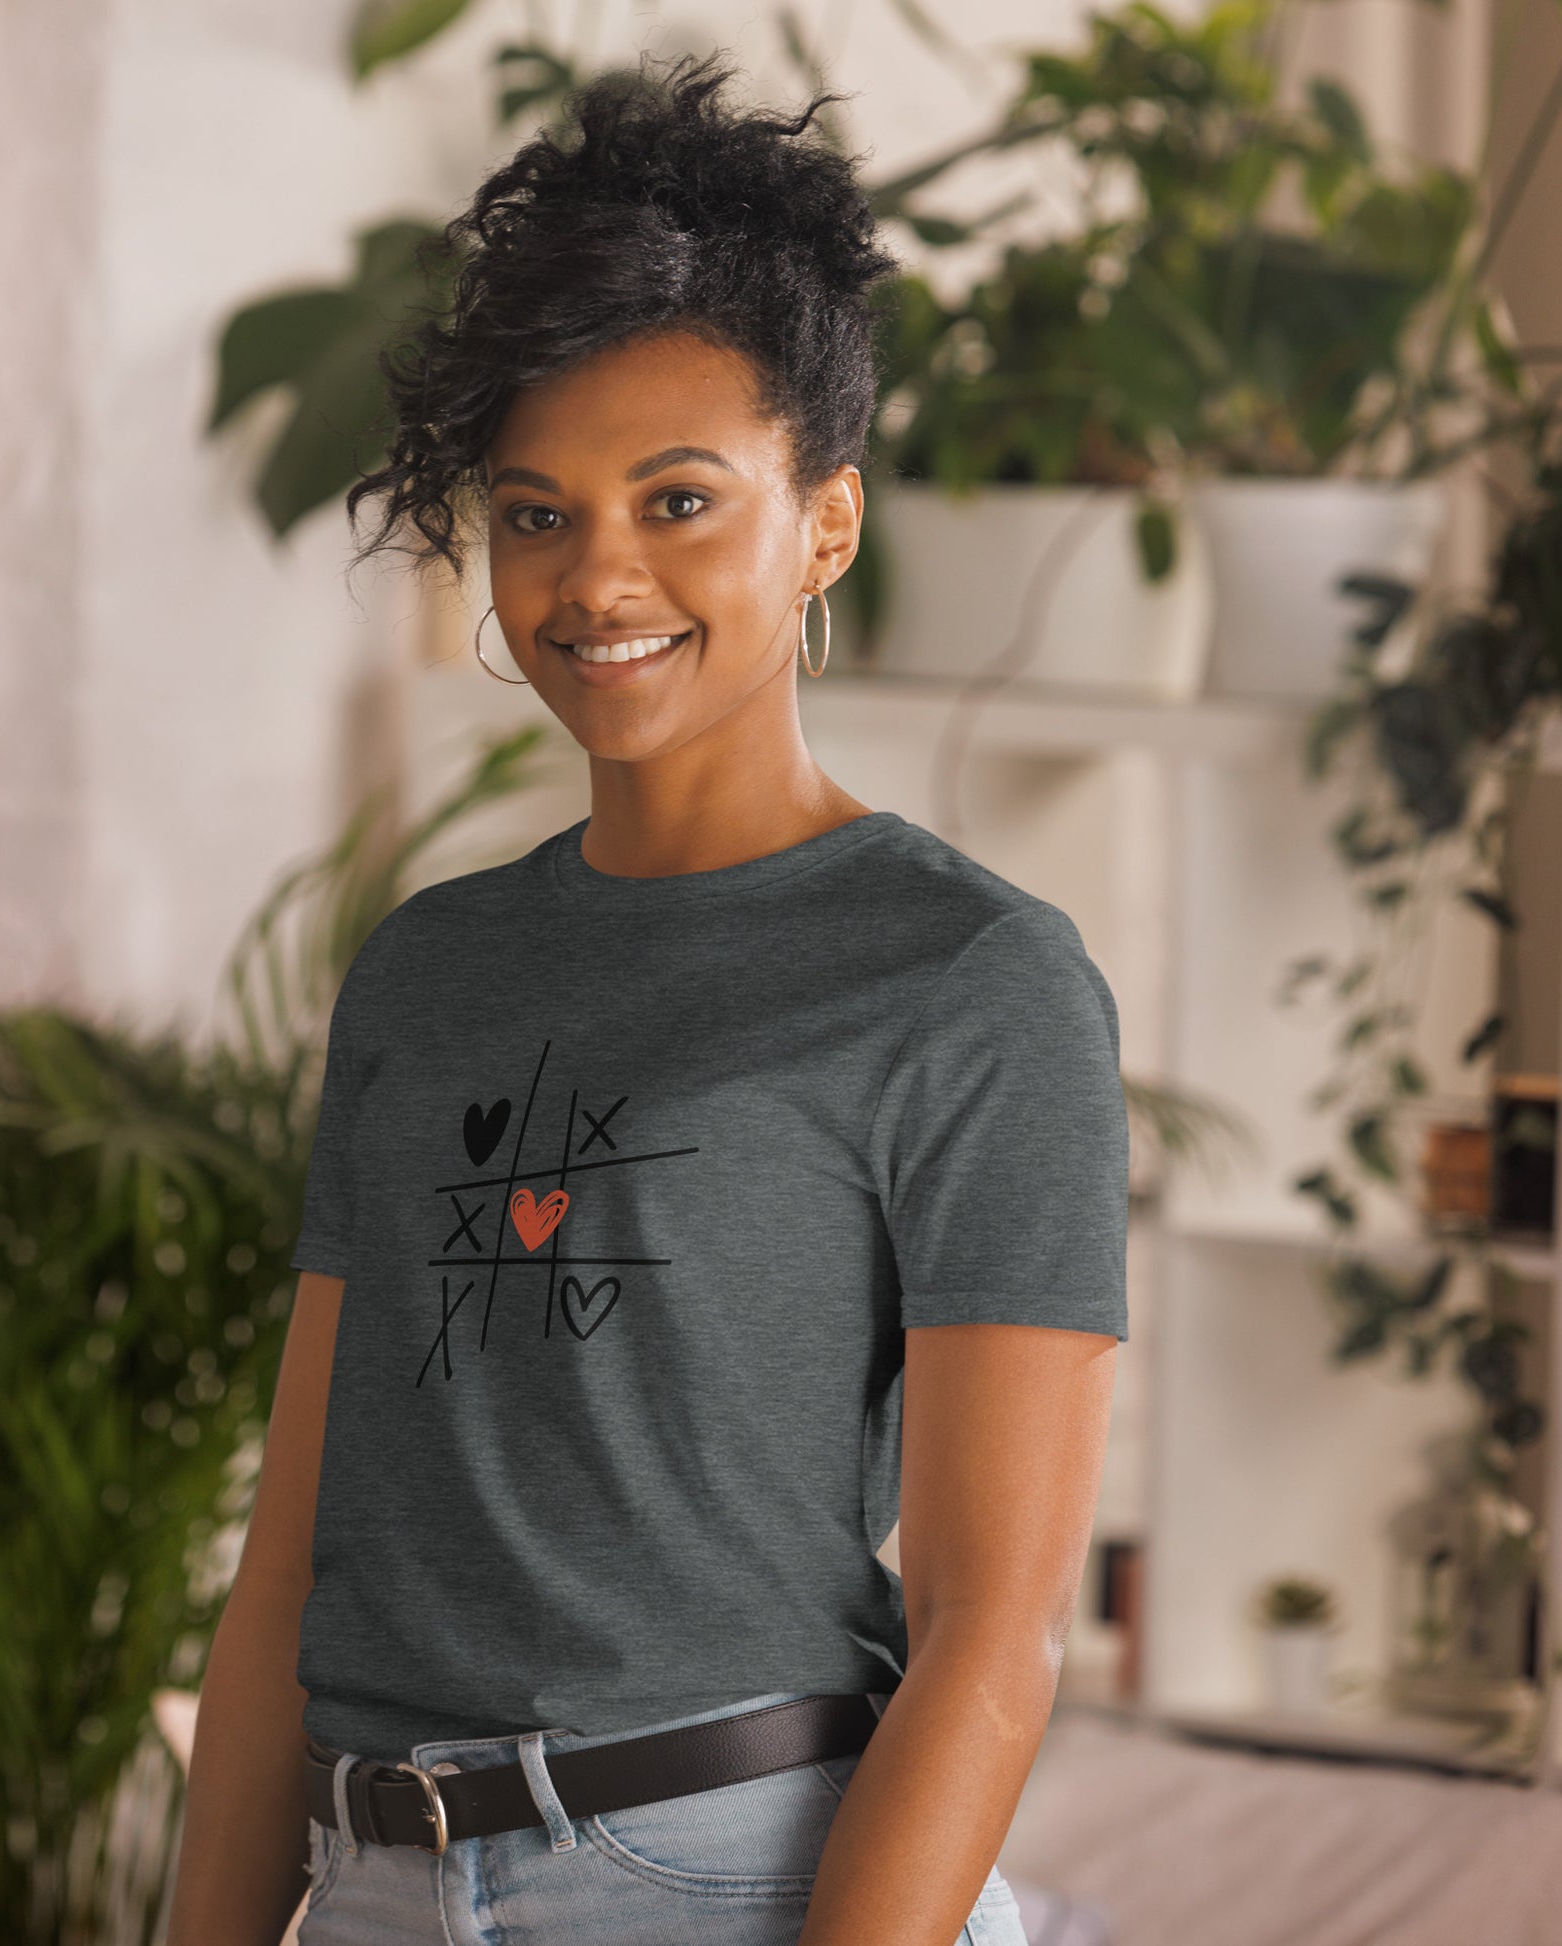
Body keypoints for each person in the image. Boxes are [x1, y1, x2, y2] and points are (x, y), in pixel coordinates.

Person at [166, 48, 1126, 1946]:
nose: (596, 574)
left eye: (679, 499)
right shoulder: (430, 967)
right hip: (372, 1881)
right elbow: (295, 1562)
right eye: (535, 513)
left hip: (727, 1876)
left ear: (823, 523)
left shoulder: (968, 979)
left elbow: (990, 1633)